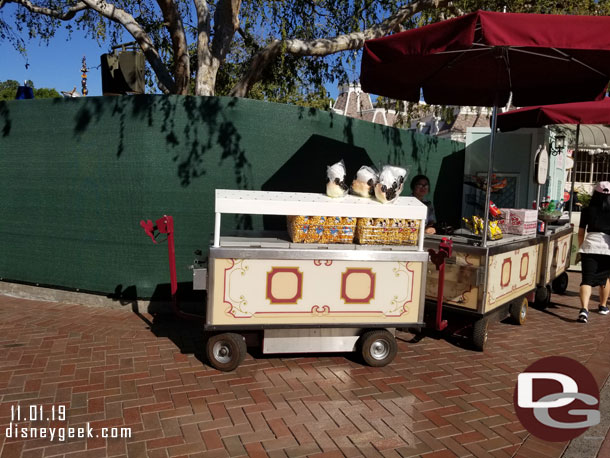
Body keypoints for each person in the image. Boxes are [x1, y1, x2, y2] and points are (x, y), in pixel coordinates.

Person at [577, 181, 610, 323]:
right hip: (607, 248)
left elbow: (580, 232)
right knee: (605, 278)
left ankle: (584, 310)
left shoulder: (587, 210)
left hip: (589, 246)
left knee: (587, 279)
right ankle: (603, 306)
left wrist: (581, 247)